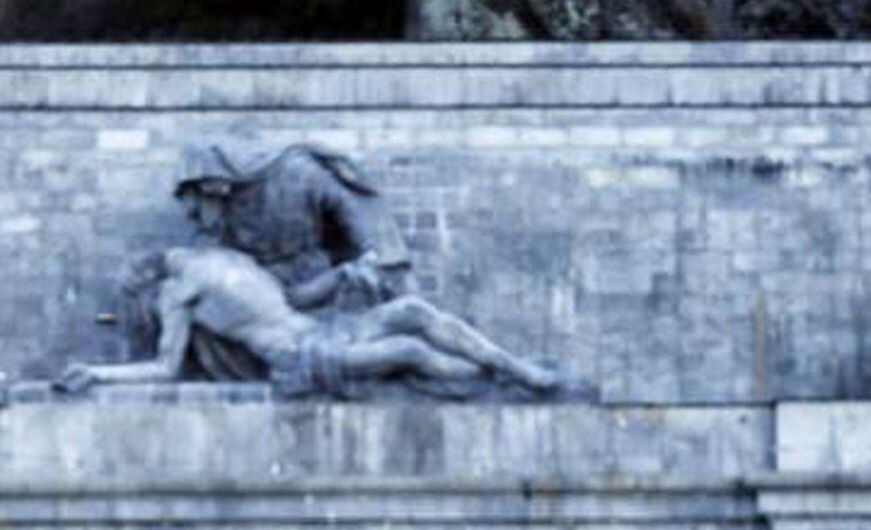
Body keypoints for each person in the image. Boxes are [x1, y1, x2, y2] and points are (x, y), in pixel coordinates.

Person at [57, 245, 559, 399]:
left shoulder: (226, 257)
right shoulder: (176, 295)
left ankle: (512, 367)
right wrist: (98, 373)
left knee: (414, 313)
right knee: (409, 352)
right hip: (301, 358)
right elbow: (165, 369)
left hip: (320, 328)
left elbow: (292, 296)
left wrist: (341, 274)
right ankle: (501, 382)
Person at [173, 142, 412, 383]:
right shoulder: (223, 201)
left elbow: (346, 205)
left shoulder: (296, 171)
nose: (196, 216)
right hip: (261, 285)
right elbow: (214, 249)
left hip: (310, 278)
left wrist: (368, 252)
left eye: (203, 187)